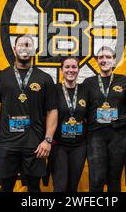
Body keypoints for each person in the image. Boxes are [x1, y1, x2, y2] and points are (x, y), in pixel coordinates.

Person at [0, 34, 58, 192]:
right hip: (7, 143)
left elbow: (52, 111)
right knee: (6, 187)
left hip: (34, 145)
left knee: (34, 188)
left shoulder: (45, 78)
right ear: (14, 49)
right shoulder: (1, 77)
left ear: (34, 50)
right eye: (21, 45)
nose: (24, 48)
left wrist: (48, 140)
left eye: (28, 45)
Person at [83, 46, 126, 192]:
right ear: (97, 60)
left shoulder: (123, 80)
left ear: (114, 60)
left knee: (114, 178)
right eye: (101, 57)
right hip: (96, 134)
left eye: (108, 57)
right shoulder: (88, 82)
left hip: (119, 135)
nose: (104, 60)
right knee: (96, 178)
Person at [49, 56, 87, 192]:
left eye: (74, 67)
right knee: (60, 186)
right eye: (67, 67)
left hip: (79, 146)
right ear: (61, 70)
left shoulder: (85, 90)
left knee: (72, 187)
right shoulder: (53, 90)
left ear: (78, 69)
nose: (71, 70)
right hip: (59, 145)